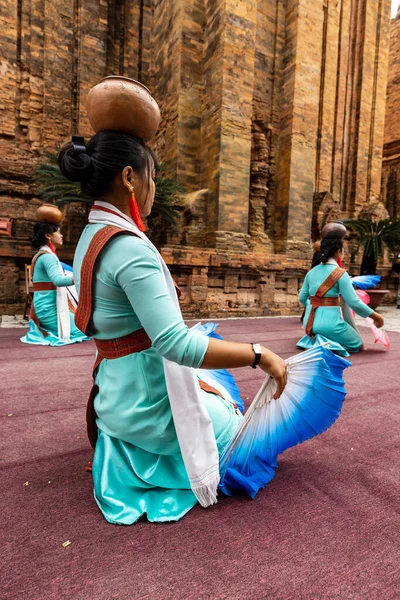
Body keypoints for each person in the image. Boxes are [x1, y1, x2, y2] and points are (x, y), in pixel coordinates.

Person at [58, 131, 288, 525]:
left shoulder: (90, 235)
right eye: (152, 175)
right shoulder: (129, 248)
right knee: (244, 433)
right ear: (129, 177)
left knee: (213, 389)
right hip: (146, 405)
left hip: (116, 395)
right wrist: (259, 355)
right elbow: (175, 344)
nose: (153, 188)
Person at [297, 237, 384, 356]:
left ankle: (315, 339)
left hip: (309, 323)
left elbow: (302, 298)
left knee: (330, 332)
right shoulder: (341, 274)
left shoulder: (311, 272)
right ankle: (322, 344)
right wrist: (377, 317)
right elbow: (353, 302)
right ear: (339, 252)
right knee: (355, 344)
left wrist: (311, 307)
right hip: (330, 324)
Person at [21, 217, 90, 346]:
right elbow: (58, 280)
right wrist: (82, 276)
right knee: (84, 330)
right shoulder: (47, 257)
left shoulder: (43, 255)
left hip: (44, 306)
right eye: (58, 232)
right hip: (48, 309)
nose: (61, 235)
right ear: (48, 235)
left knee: (84, 324)